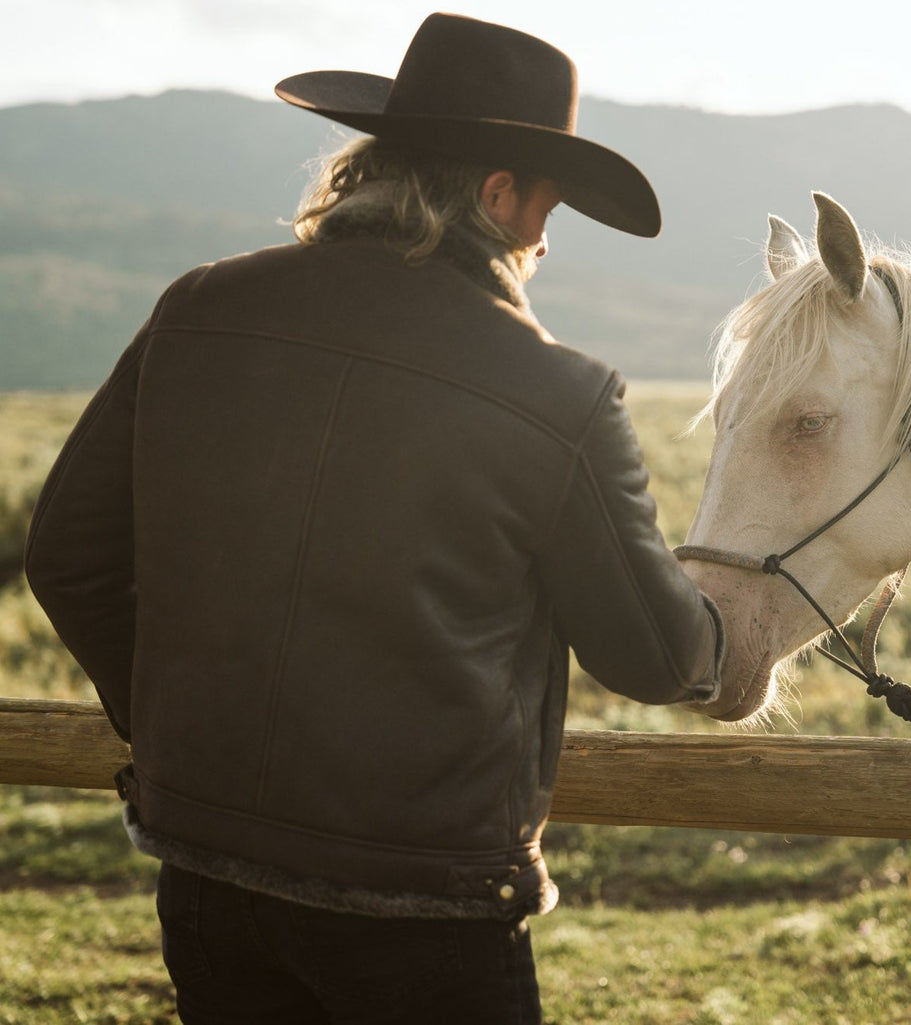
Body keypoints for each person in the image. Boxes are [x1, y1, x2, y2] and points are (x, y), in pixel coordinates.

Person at [25, 12, 724, 1024]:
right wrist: (731, 618)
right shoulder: (557, 393)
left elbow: (67, 558)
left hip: (205, 878)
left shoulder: (196, 309)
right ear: (494, 194)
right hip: (424, 905)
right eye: (545, 208)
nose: (542, 238)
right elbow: (656, 654)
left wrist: (180, 730)